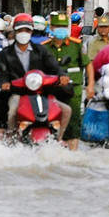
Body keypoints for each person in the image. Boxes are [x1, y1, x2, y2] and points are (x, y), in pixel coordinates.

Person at [0, 13, 72, 139]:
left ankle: (58, 139)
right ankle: (11, 138)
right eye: (20, 30)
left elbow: (54, 66)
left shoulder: (41, 50)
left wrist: (62, 75)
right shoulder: (6, 54)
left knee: (66, 110)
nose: (24, 33)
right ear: (15, 31)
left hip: (41, 92)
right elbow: (2, 73)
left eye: (27, 30)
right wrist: (5, 82)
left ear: (31, 31)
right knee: (12, 112)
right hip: (18, 93)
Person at [44, 12, 88, 148]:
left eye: (63, 26)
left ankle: (72, 151)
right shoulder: (44, 47)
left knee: (74, 121)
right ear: (51, 27)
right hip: (50, 89)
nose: (60, 29)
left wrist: (90, 86)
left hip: (73, 89)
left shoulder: (77, 45)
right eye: (57, 26)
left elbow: (88, 65)